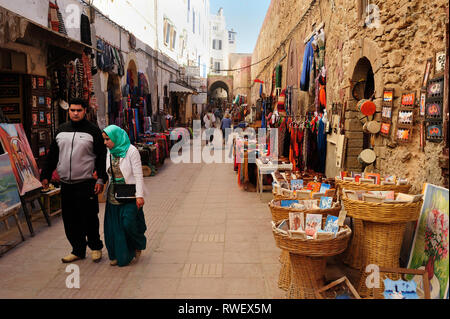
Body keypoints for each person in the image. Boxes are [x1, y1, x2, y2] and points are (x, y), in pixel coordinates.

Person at [41, 98, 107, 263]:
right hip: (66, 184)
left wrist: (100, 179)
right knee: (70, 219)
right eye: (72, 110)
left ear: (85, 111)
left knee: (89, 217)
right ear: (68, 111)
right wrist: (45, 175)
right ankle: (77, 250)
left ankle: (96, 247)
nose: (75, 113)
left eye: (78, 110)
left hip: (86, 183)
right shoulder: (61, 130)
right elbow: (52, 155)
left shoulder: (93, 131)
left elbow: (101, 156)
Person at [102, 125, 147, 267]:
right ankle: (118, 254)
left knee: (128, 223)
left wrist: (139, 195)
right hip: (113, 193)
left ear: (116, 137)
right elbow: (109, 172)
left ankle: (138, 243)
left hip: (130, 193)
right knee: (114, 227)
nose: (105, 142)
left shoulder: (131, 151)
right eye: (104, 139)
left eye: (107, 139)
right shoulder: (109, 151)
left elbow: (138, 175)